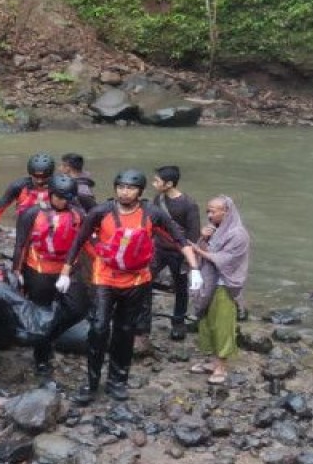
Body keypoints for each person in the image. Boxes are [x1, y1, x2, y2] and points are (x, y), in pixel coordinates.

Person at [59, 169, 201, 404]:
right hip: (105, 277)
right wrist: (65, 273)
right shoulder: (100, 212)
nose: (125, 192)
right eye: (121, 187)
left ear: (140, 192)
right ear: (115, 188)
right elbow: (78, 241)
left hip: (137, 280)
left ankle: (118, 381)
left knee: (125, 331)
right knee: (99, 328)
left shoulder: (152, 214)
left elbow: (179, 238)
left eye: (131, 188)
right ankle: (92, 383)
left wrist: (194, 268)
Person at [11, 173, 84, 384]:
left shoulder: (78, 215)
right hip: (39, 269)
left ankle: (50, 334)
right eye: (59, 197)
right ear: (51, 194)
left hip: (67, 269)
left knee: (78, 308)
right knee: (40, 311)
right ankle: (41, 358)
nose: (63, 201)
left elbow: (83, 243)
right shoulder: (32, 213)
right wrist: (18, 271)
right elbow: (21, 244)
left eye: (67, 198)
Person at [188, 196, 250, 384]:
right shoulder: (214, 230)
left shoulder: (238, 234)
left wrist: (198, 251)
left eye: (214, 211)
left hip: (224, 286)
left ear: (226, 212)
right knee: (206, 323)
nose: (209, 215)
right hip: (209, 283)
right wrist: (203, 239)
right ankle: (212, 361)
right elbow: (204, 250)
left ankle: (221, 366)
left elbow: (225, 260)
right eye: (208, 211)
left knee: (222, 325)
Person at [148, 165, 200, 340]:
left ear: (169, 183)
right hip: (159, 248)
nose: (154, 183)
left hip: (179, 251)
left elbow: (193, 234)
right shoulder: (158, 199)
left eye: (157, 181)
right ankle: (143, 318)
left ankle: (178, 321)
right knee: (145, 279)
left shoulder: (189, 204)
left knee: (180, 286)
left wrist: (190, 261)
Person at [0, 153, 57, 255]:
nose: (39, 181)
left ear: (51, 175)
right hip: (25, 227)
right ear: (30, 174)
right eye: (36, 177)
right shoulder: (18, 186)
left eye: (44, 177)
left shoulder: (58, 186)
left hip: (51, 227)